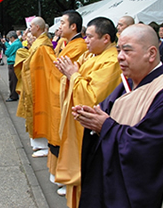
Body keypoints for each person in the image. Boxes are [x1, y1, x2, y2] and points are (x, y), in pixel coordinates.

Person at [74, 24, 163, 208]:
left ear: (151, 54)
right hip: (110, 178)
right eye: (119, 50)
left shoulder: (159, 90)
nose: (120, 57)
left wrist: (104, 126)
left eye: (127, 51)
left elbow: (149, 145)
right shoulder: (127, 83)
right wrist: (91, 116)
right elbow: (106, 112)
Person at [54, 17, 121, 206]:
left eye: (90, 37)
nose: (86, 41)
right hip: (78, 124)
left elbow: (91, 97)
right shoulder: (93, 55)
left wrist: (74, 75)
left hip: (91, 129)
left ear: (106, 38)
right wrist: (73, 74)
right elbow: (74, 70)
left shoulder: (111, 60)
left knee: (87, 173)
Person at [46, 11, 88, 192]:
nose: (59, 26)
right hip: (60, 96)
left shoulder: (78, 46)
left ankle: (67, 178)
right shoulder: (68, 43)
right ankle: (60, 176)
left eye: (63, 23)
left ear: (74, 27)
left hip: (69, 98)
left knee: (65, 138)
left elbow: (59, 69)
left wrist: (44, 52)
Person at [16, 16, 57, 157]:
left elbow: (49, 66)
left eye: (31, 27)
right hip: (33, 82)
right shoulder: (38, 43)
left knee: (40, 111)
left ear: (37, 28)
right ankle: (38, 144)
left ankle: (44, 145)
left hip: (40, 84)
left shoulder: (43, 45)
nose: (29, 29)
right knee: (33, 112)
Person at [4, 31, 23, 102]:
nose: (9, 40)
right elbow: (10, 48)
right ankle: (14, 94)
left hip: (13, 63)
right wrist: (6, 44)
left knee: (12, 80)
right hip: (15, 62)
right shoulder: (17, 43)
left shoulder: (15, 44)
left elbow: (7, 52)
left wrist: (6, 46)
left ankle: (13, 96)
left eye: (9, 39)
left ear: (12, 38)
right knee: (14, 79)